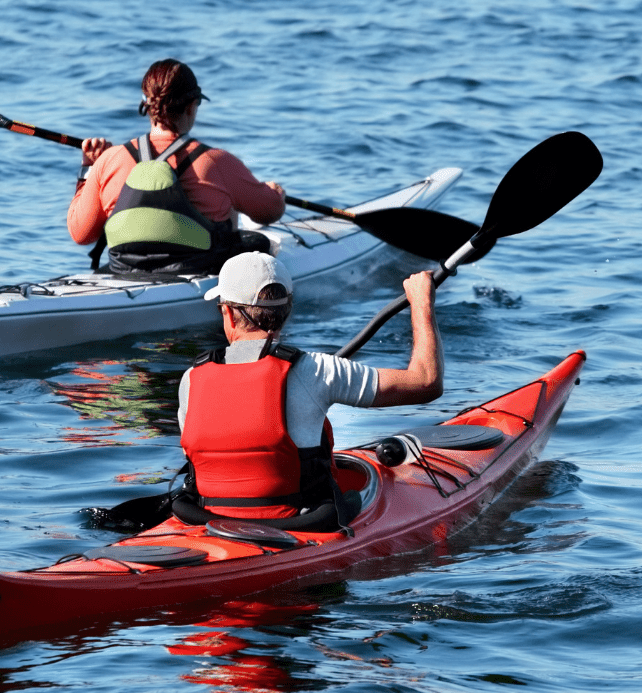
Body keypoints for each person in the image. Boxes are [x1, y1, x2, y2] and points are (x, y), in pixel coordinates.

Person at [175, 252, 443, 530]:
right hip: (298, 525)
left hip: (208, 523)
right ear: (287, 311)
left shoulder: (191, 379)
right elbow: (426, 382)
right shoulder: (316, 371)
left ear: (228, 314)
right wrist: (422, 303)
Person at [68, 59, 285, 275]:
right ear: (191, 107)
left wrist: (88, 169)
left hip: (125, 273)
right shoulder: (216, 162)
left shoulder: (109, 160)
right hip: (198, 271)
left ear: (147, 106)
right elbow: (270, 211)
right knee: (256, 240)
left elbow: (81, 234)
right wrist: (276, 193)